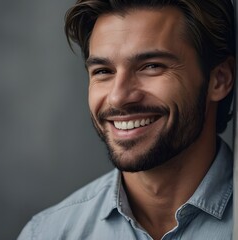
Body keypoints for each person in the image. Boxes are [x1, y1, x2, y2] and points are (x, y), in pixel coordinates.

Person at [18, 0, 235, 239]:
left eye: (151, 66)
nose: (118, 97)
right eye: (103, 71)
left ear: (220, 79)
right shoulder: (47, 234)